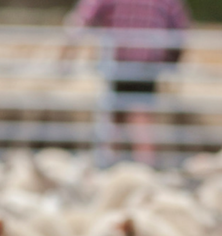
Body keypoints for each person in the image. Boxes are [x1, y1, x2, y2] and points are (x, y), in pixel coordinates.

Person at [66, 0, 191, 165]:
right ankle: (145, 165)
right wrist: (171, 62)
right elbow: (181, 30)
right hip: (147, 65)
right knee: (140, 116)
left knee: (116, 116)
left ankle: (111, 164)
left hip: (118, 62)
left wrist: (66, 58)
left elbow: (81, 21)